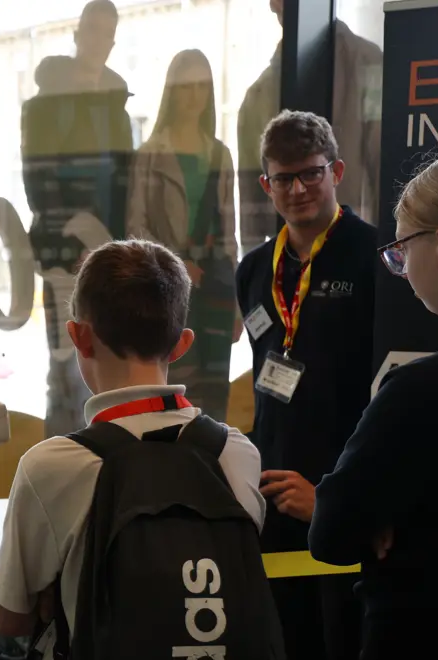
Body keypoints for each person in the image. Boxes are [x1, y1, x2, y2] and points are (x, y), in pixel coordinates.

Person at [0, 239, 265, 660]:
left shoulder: (53, 465)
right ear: (183, 343)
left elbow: (11, 618)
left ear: (79, 337)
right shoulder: (235, 455)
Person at [235, 110, 377, 660]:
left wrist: (341, 490)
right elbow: (267, 375)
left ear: (336, 173)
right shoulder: (254, 269)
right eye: (283, 178)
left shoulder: (373, 257)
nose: (297, 189)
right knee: (285, 649)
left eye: (310, 173)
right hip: (272, 487)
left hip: (343, 491)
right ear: (267, 184)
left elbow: (390, 391)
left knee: (341, 650)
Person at [309, 151, 438, 660]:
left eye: (403, 252)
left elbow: (334, 528)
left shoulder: (422, 392)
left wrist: (383, 511)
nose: (399, 269)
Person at [20, 0, 134, 437]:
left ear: (111, 41)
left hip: (110, 252)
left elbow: (125, 183)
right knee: (66, 364)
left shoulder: (116, 106)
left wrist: (115, 243)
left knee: (107, 365)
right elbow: (39, 182)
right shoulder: (44, 105)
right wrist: (77, 237)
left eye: (107, 32)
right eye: (91, 29)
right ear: (78, 33)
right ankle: (59, 466)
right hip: (62, 251)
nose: (97, 40)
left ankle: (98, 461)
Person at [128, 48, 241, 420]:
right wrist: (174, 266)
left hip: (214, 287)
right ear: (171, 92)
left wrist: (238, 303)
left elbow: (229, 235)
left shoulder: (220, 154)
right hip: (166, 287)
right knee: (171, 392)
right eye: (186, 86)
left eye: (202, 87)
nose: (194, 96)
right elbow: (135, 228)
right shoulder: (149, 154)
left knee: (213, 397)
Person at [237, 0, 382, 253]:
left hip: (354, 251)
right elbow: (251, 198)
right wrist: (258, 263)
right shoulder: (256, 96)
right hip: (284, 261)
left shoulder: (370, 65)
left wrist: (387, 253)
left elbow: (385, 169)